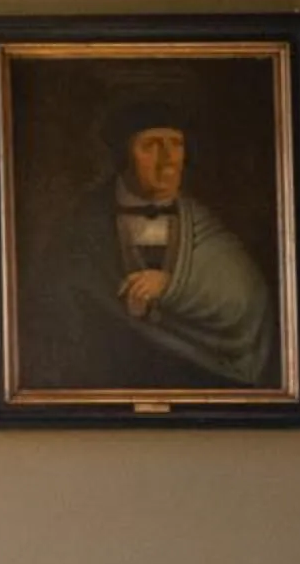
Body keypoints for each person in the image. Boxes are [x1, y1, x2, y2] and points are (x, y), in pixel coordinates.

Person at [21, 99, 276, 393]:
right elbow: (49, 309)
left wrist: (173, 286)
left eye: (176, 144)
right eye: (151, 145)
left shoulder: (202, 224)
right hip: (106, 381)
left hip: (200, 381)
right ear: (123, 156)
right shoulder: (82, 227)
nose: (168, 160)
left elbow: (248, 299)